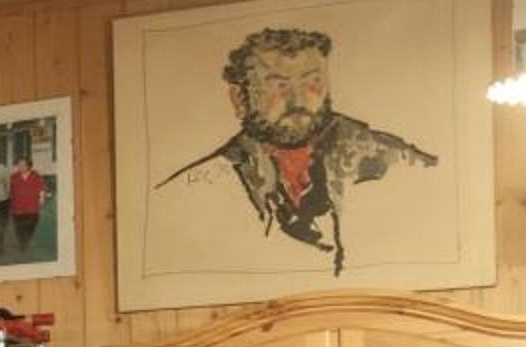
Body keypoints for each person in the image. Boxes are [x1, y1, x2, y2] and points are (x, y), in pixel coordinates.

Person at [156, 24, 434, 273]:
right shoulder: (199, 190)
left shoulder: (394, 162)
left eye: (312, 82)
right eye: (279, 86)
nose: (298, 100)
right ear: (239, 97)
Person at [6, 138, 48, 261]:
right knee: (19, 227)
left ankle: (27, 239)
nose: (20, 166)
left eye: (22, 164)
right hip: (17, 208)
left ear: (29, 165)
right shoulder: (14, 177)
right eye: (18, 164)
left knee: (31, 226)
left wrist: (42, 198)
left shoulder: (36, 175)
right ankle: (22, 243)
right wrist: (8, 200)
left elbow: (42, 188)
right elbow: (9, 191)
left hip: (32, 207)